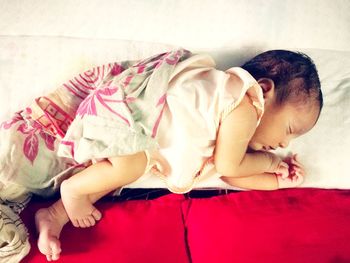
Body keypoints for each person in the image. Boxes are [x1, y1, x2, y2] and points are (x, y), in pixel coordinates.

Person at [18, 49, 323, 261]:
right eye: (290, 128)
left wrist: (280, 183)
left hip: (136, 140)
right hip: (124, 114)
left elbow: (232, 174)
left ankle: (54, 214)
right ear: (264, 90)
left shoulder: (232, 131)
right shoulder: (242, 103)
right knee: (132, 164)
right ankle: (73, 191)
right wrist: (273, 163)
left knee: (130, 167)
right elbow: (230, 164)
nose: (285, 143)